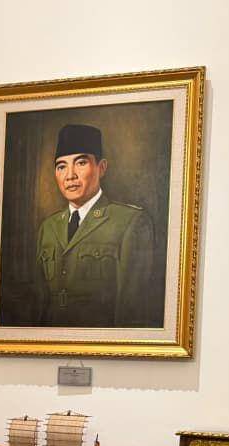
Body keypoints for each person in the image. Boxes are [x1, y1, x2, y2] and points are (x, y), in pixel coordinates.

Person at [33, 124, 162, 328]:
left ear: (101, 168)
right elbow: (40, 304)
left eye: (81, 163)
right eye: (61, 166)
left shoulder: (131, 222)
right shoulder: (48, 227)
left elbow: (132, 308)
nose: (70, 175)